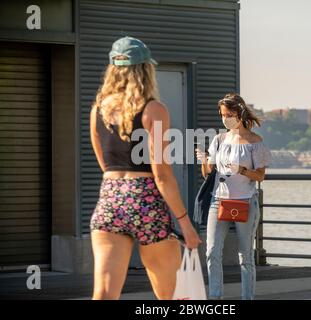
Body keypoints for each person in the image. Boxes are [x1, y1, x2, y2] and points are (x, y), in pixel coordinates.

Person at [89, 36, 201, 300]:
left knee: (104, 293)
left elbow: (105, 165)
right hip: (145, 200)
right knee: (171, 296)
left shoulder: (99, 111)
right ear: (146, 69)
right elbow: (162, 175)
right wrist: (185, 224)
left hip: (110, 199)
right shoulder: (154, 110)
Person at [195, 93, 272, 300]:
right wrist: (204, 160)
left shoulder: (255, 141)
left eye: (229, 114)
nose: (225, 118)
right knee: (211, 251)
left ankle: (247, 297)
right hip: (217, 201)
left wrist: (242, 170)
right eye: (222, 115)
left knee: (245, 256)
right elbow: (207, 174)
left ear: (240, 114)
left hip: (245, 201)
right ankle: (215, 297)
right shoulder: (219, 139)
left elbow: (261, 176)